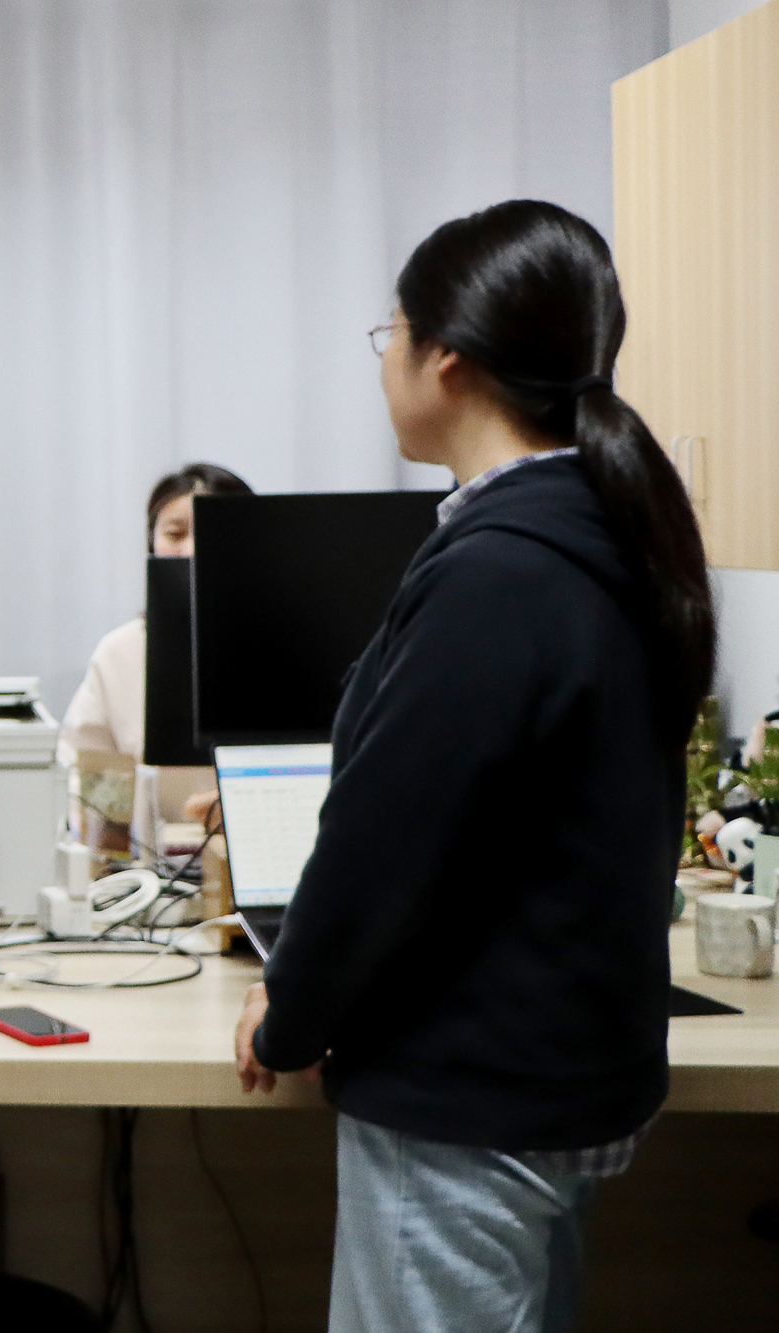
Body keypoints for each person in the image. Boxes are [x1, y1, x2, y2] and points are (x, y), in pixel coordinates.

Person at [234, 200, 713, 1332]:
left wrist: (287, 1013)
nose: (382, 363)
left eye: (388, 335)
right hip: (543, 1080)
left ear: (443, 355)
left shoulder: (500, 573)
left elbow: (384, 840)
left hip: (463, 1106)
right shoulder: (597, 534)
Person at [57, 464, 251, 847]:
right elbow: (84, 772)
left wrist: (247, 804)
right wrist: (113, 837)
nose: (191, 550)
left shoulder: (292, 650)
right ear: (152, 544)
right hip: (151, 861)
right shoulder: (121, 652)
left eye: (212, 532)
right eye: (175, 534)